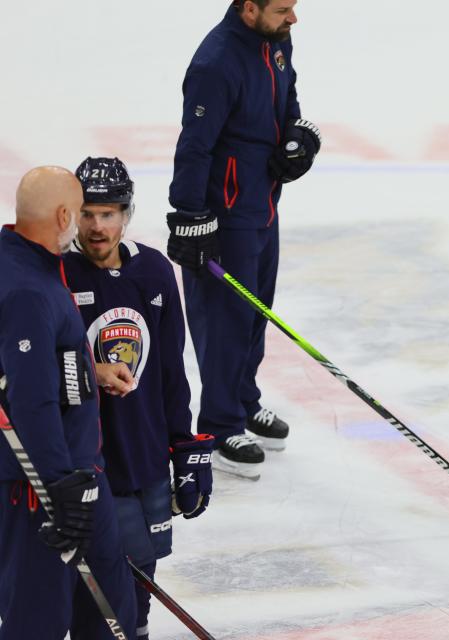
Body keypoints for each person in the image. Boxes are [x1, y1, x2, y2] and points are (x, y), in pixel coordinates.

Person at [167, 0, 320, 479]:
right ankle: (217, 425)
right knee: (226, 320)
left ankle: (242, 398)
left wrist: (298, 137)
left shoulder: (275, 42)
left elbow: (287, 98)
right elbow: (194, 146)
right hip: (224, 216)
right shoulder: (215, 63)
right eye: (282, 8)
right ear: (248, 8)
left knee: (256, 314)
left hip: (263, 204)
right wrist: (189, 216)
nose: (292, 18)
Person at [63, 157, 214, 640]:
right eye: (87, 213)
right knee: (98, 598)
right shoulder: (57, 273)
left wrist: (186, 448)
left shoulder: (153, 270)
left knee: (141, 589)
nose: (96, 226)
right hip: (87, 462)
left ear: (126, 213)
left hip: (145, 456)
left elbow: (171, 368)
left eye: (107, 214)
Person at [0, 166, 137, 638]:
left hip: (79, 474)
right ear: (63, 215)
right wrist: (59, 486)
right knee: (37, 620)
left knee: (111, 612)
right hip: (44, 487)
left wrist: (88, 369)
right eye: (79, 214)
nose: (84, 226)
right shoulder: (27, 289)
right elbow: (31, 400)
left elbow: (43, 365)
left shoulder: (32, 266)